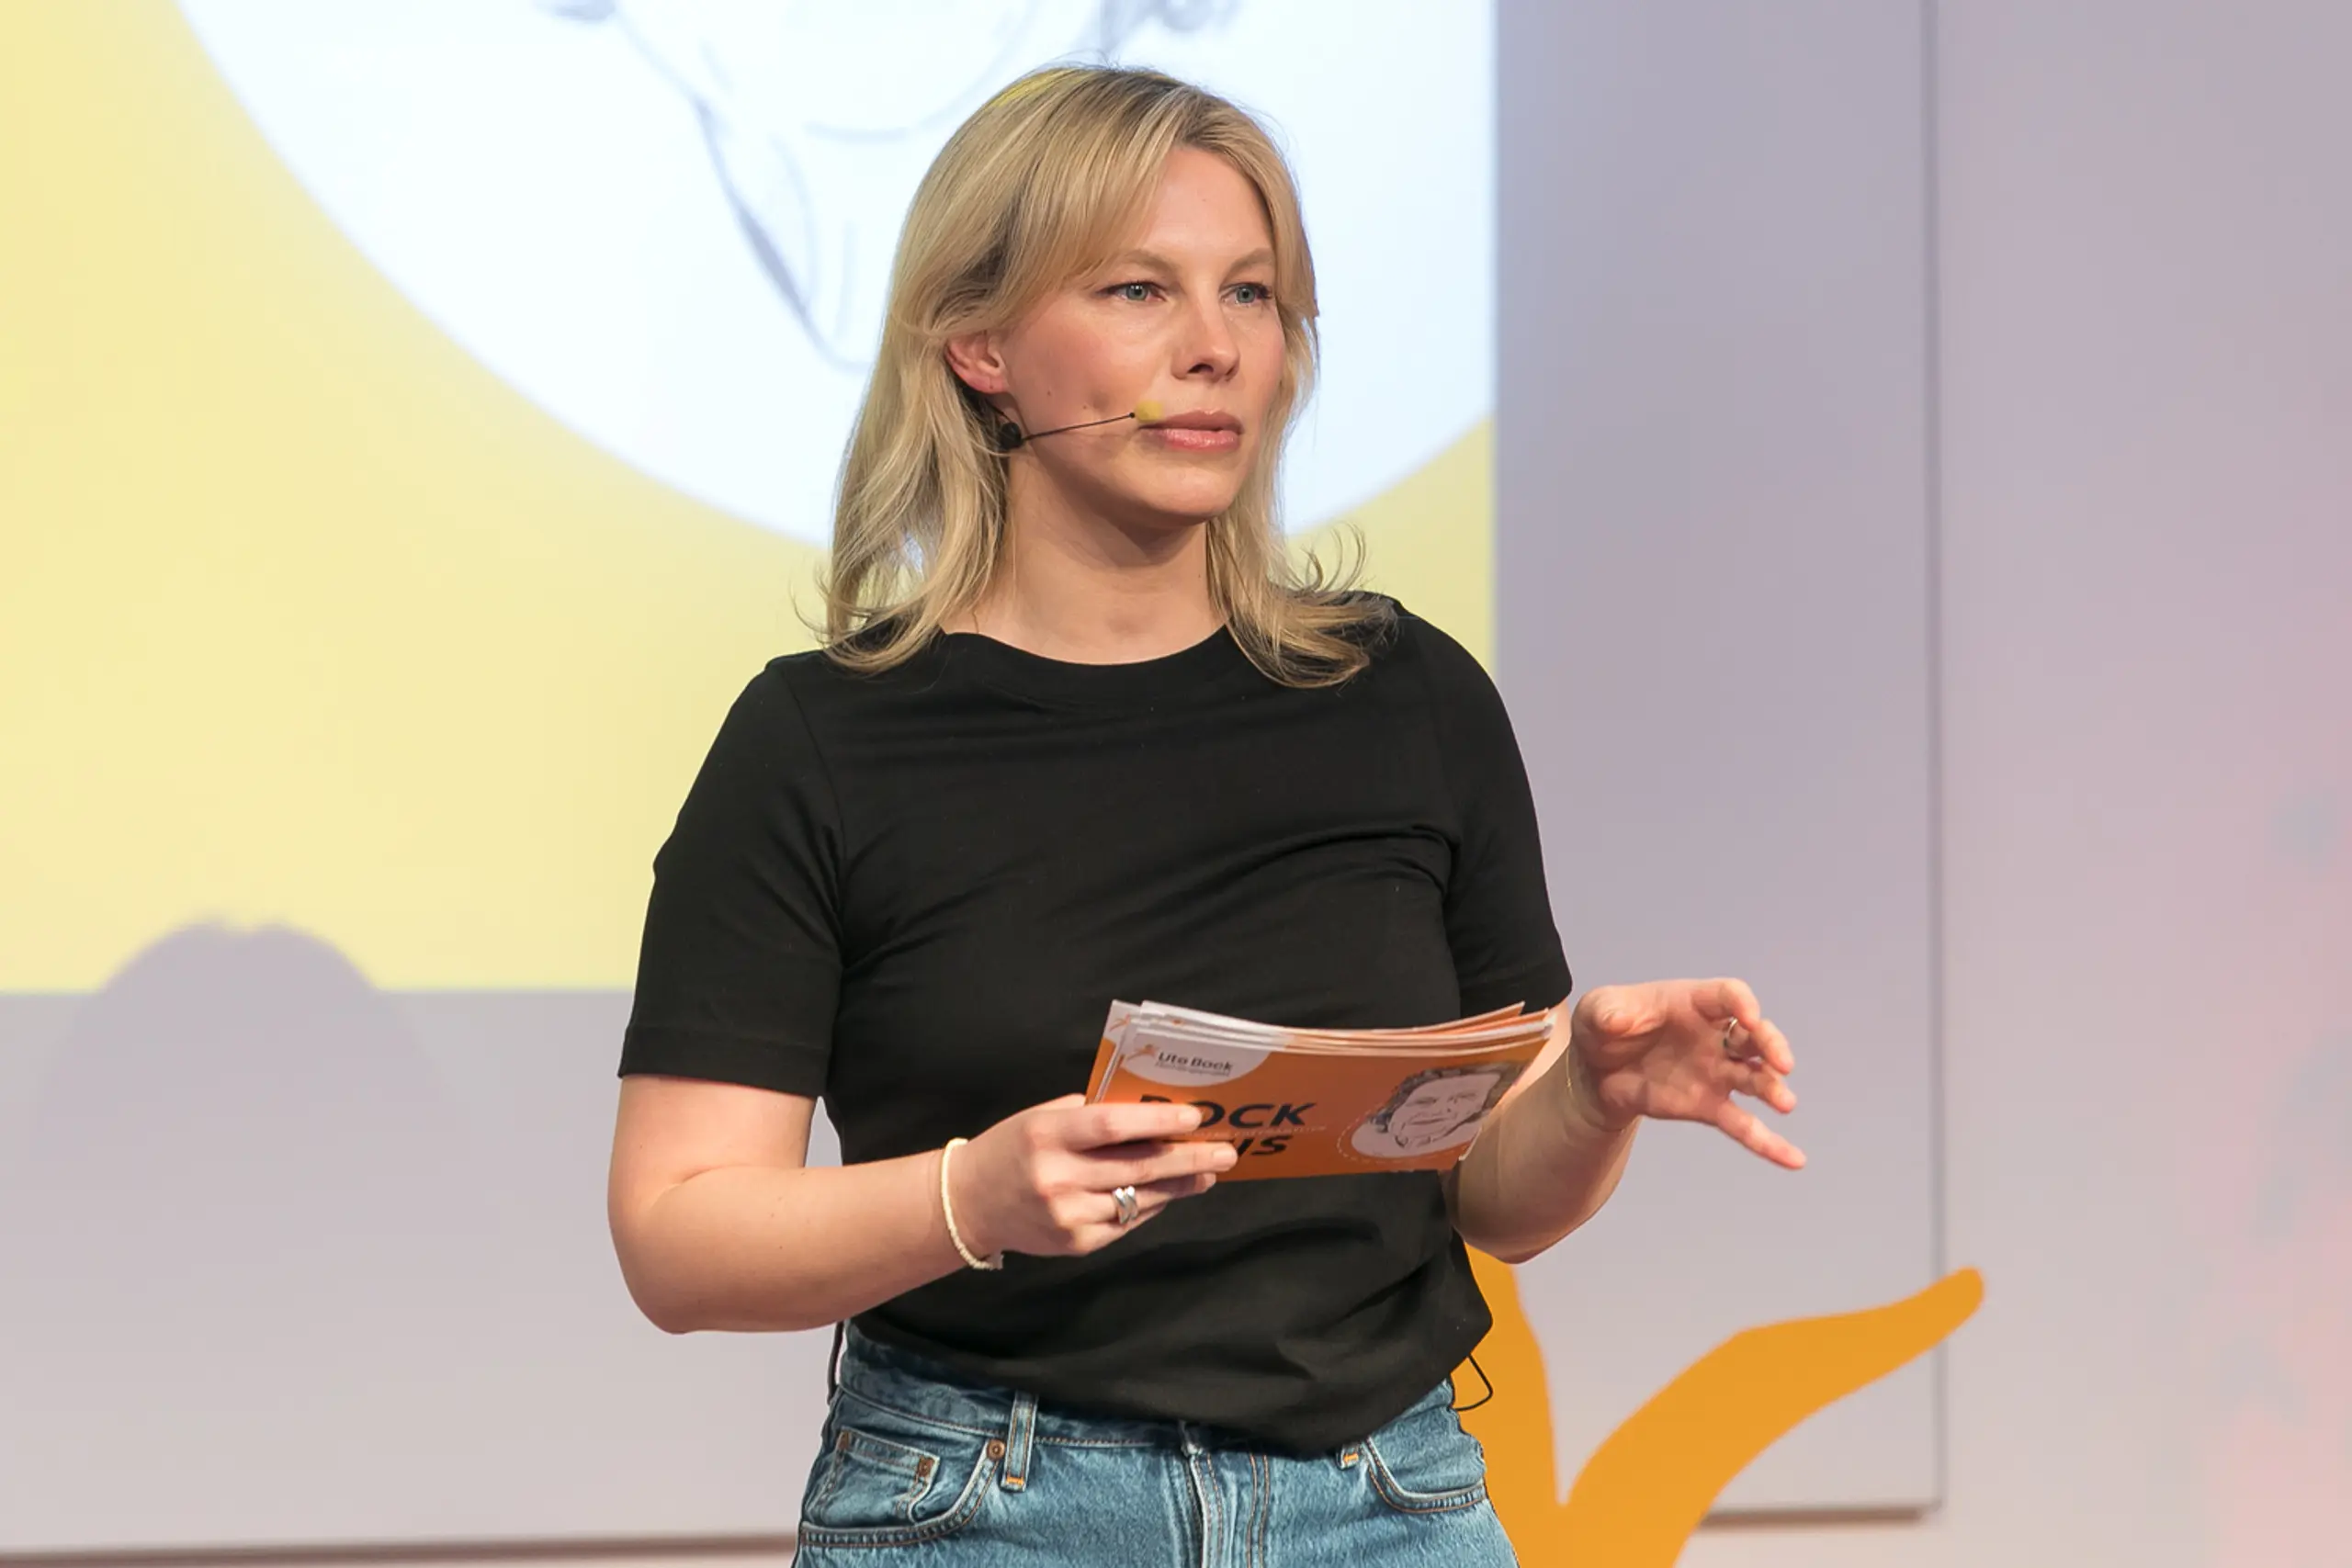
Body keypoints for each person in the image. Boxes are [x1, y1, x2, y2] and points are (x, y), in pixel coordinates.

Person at [607, 64, 1804, 1566]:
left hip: (1386, 1505)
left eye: (1251, 293)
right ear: (979, 344)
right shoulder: (820, 740)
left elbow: (1495, 1195)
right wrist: (972, 1195)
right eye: (1138, 290)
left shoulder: (1409, 696)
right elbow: (678, 1232)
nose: (1215, 346)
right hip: (989, 1505)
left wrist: (1592, 1096)